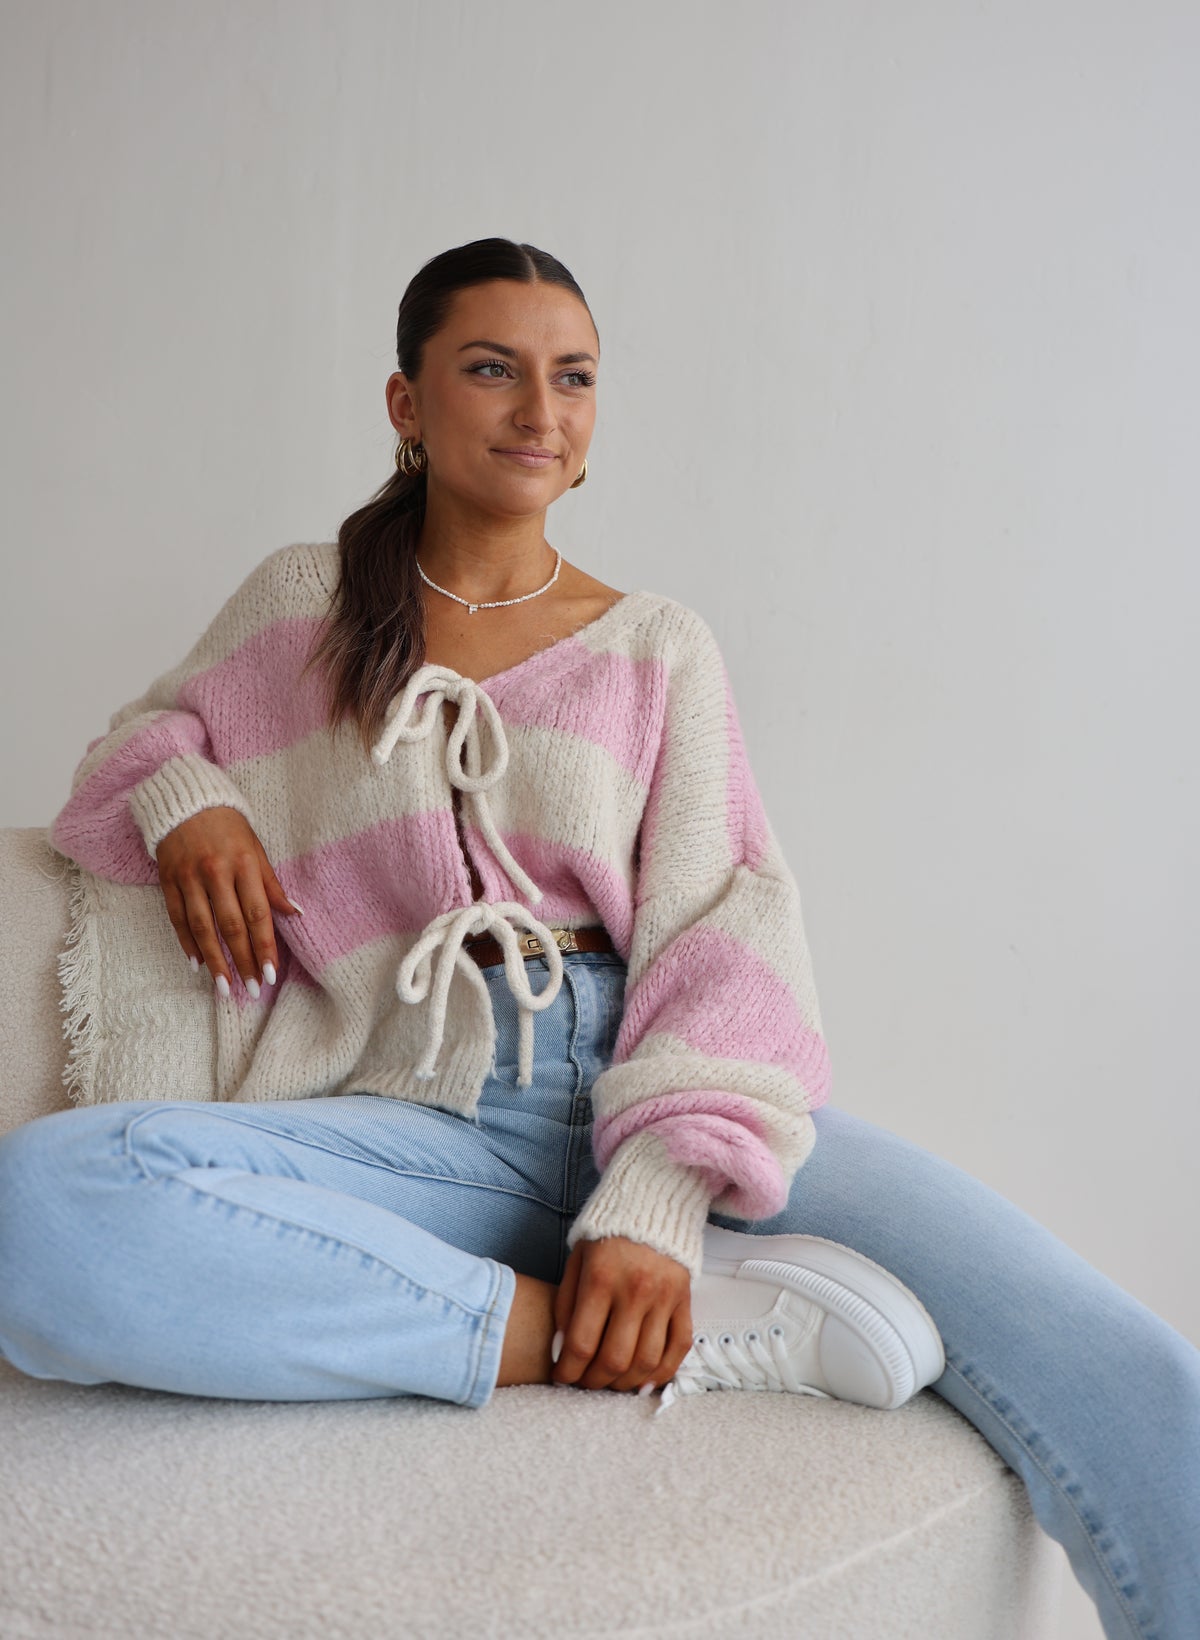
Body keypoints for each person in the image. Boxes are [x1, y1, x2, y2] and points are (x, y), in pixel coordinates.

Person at [0, 238, 1195, 1638]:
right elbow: (141, 740)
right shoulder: (299, 609)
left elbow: (726, 923)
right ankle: (595, 1327)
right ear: (406, 402)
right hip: (423, 1120)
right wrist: (187, 800)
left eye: (573, 378)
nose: (539, 411)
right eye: (491, 369)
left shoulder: (657, 646)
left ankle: (688, 1266)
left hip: (662, 1088)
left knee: (1119, 1363)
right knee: (51, 1204)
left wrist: (657, 1201)